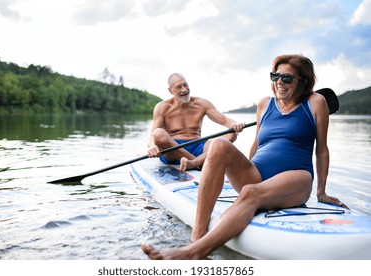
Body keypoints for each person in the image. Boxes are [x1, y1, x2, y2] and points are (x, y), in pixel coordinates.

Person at [141, 54, 349, 260]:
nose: (279, 83)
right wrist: (243, 170)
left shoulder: (315, 102)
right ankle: (197, 235)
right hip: (258, 173)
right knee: (219, 145)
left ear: (303, 81)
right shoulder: (264, 104)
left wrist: (321, 192)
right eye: (275, 76)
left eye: (287, 78)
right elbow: (257, 143)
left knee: (250, 192)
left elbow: (322, 150)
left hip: (296, 177)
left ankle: (193, 252)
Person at [147, 73, 244, 172]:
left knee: (231, 135)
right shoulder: (162, 107)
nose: (184, 90)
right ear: (170, 90)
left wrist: (234, 125)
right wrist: (152, 146)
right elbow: (152, 136)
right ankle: (197, 162)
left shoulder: (201, 104)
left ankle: (194, 163)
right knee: (158, 134)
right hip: (172, 151)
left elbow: (225, 120)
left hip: (198, 146)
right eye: (178, 87)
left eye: (185, 85)